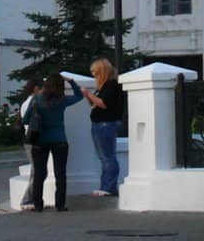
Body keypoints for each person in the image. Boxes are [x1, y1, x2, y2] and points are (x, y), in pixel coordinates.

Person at [21, 73, 84, 211]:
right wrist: (72, 81)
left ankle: (38, 205)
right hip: (59, 140)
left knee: (39, 173)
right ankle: (60, 205)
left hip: (39, 140)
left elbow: (25, 120)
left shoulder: (37, 99)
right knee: (60, 173)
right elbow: (79, 96)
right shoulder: (62, 100)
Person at [84, 58, 126, 197]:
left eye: (95, 73)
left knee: (107, 157)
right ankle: (106, 186)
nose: (94, 76)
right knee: (104, 157)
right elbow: (95, 104)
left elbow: (103, 103)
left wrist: (89, 94)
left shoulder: (111, 85)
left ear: (102, 71)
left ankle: (109, 187)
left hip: (105, 124)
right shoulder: (105, 86)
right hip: (101, 123)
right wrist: (88, 96)